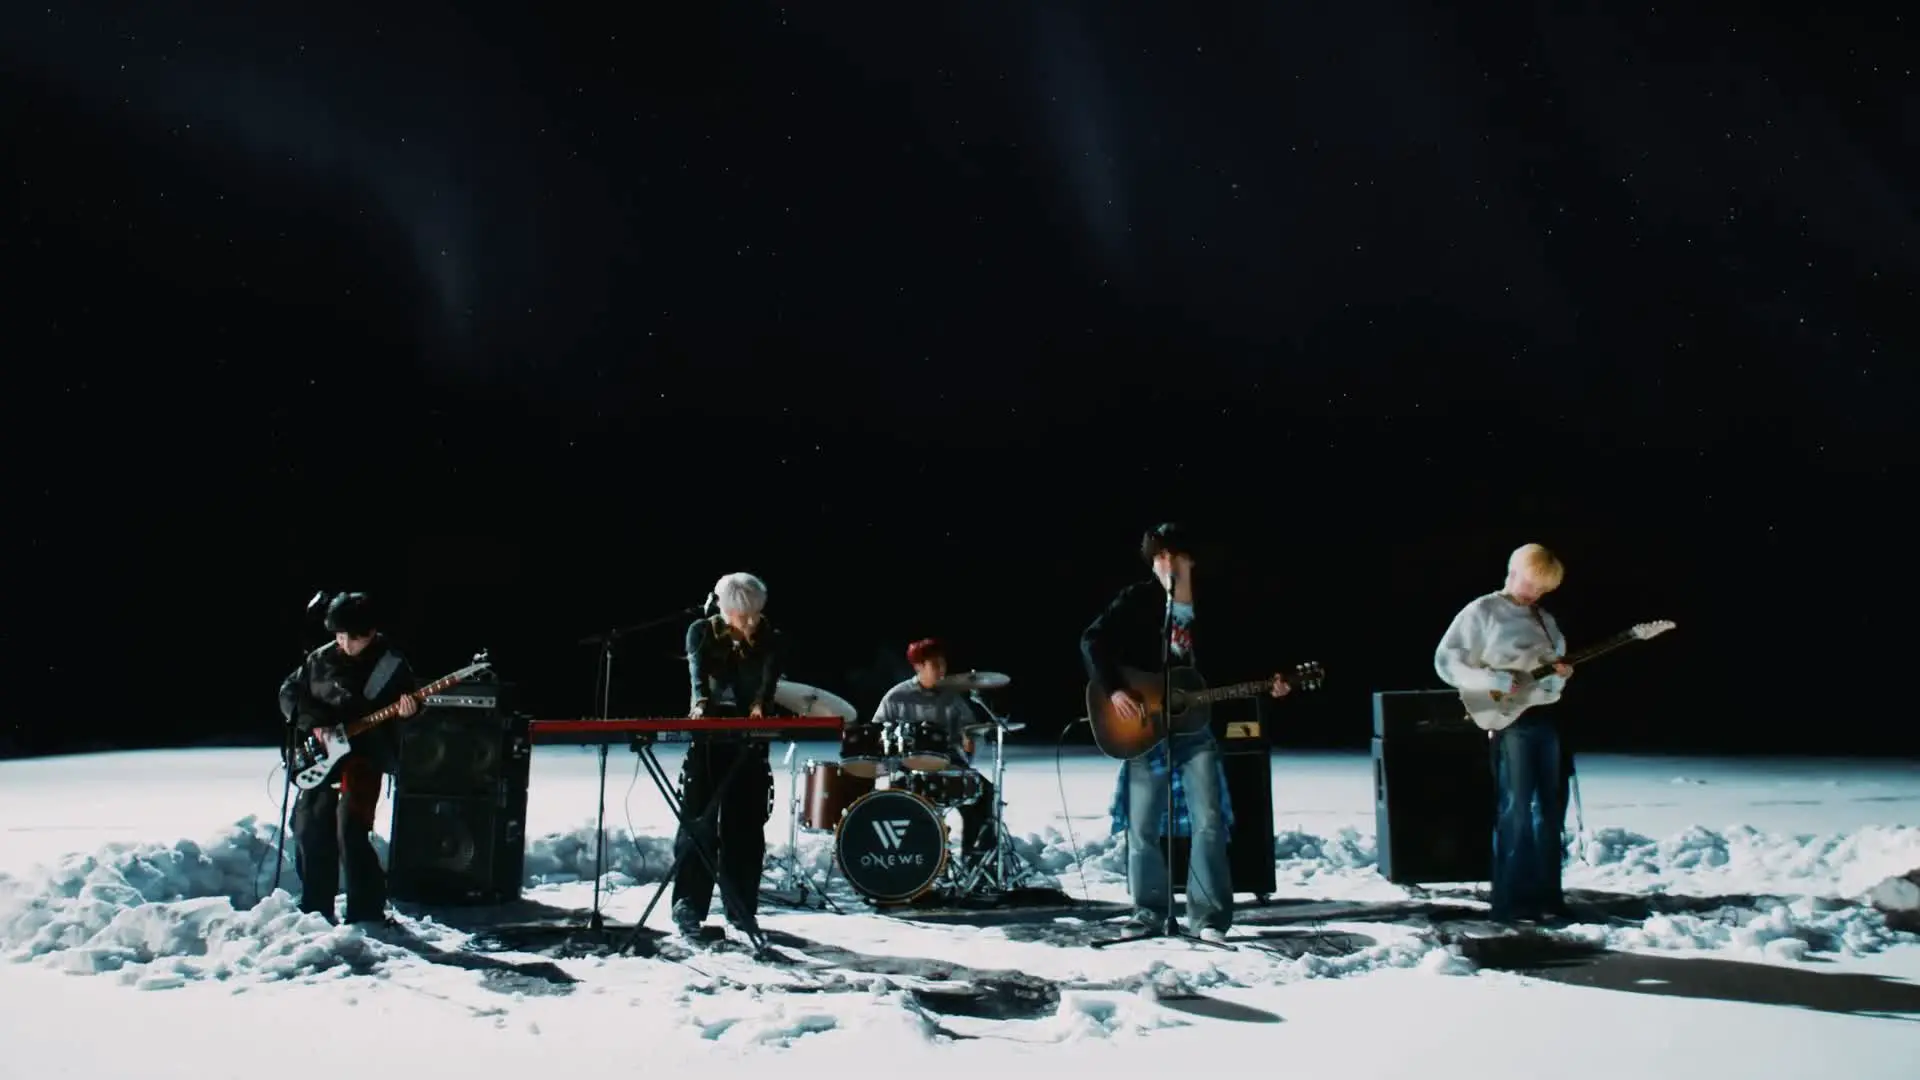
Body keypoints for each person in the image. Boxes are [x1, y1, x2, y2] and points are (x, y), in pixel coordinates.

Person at [1080, 523, 1290, 943]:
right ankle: (1149, 912)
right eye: (1159, 557)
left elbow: (1245, 651)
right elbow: (1092, 641)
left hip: (1195, 731)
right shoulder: (1136, 599)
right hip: (1146, 728)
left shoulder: (1215, 605)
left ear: (1190, 560)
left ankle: (1208, 919)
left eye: (1173, 555)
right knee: (1142, 827)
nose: (1166, 564)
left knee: (1208, 821)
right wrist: (1116, 689)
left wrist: (1273, 681)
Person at [1434, 542, 1576, 923]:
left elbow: (1546, 679)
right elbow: (1446, 662)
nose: (1535, 594)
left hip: (1544, 717)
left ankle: (1548, 896)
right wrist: (1491, 679)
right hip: (1509, 721)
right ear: (1514, 572)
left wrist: (1558, 678)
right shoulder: (1483, 611)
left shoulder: (1545, 621)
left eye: (1543, 589)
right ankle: (1511, 900)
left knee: (1550, 810)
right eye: (1532, 583)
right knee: (1515, 809)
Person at [278, 592, 419, 926]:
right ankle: (316, 908)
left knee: (351, 829)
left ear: (370, 633)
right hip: (323, 754)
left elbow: (412, 716)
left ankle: (366, 912)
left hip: (365, 755)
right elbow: (289, 694)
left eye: (353, 637)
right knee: (309, 825)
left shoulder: (391, 664)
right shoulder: (319, 659)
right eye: (339, 636)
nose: (345, 643)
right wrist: (315, 723)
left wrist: (410, 713)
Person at [673, 571, 783, 941]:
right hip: (707, 739)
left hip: (749, 740)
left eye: (753, 613)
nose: (748, 620)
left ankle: (741, 907)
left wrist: (758, 709)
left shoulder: (769, 637)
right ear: (723, 608)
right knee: (697, 820)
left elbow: (766, 688)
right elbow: (698, 680)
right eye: (740, 614)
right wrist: (701, 706)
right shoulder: (702, 632)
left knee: (745, 826)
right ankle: (688, 905)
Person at [873, 639, 999, 858]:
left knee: (984, 793)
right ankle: (911, 860)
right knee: (900, 806)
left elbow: (973, 732)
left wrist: (971, 742)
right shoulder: (896, 697)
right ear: (918, 666)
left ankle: (975, 859)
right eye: (935, 664)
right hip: (909, 768)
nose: (942, 669)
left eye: (943, 663)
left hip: (948, 765)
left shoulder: (953, 698)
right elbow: (877, 732)